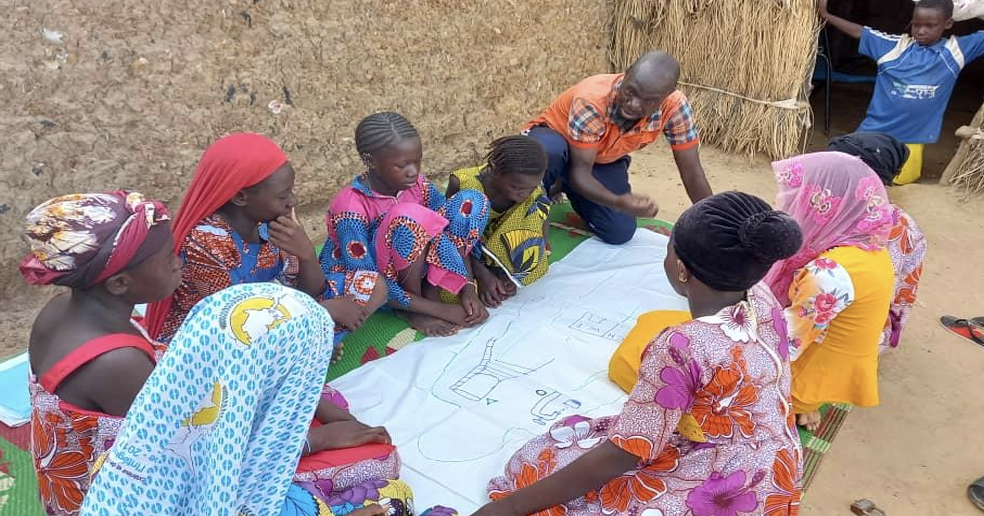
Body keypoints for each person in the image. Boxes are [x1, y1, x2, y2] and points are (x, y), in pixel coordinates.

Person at [473, 192, 803, 516]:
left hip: (725, 484)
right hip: (777, 473)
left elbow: (624, 453)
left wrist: (510, 507)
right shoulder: (763, 297)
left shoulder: (682, 345)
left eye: (669, 248)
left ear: (682, 269)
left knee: (545, 466)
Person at [79, 283, 456, 516]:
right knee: (396, 497)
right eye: (305, 376)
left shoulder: (126, 454)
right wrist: (314, 442)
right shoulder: (236, 493)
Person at [144, 133, 386, 349]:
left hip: (276, 311)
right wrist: (325, 311)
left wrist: (307, 255)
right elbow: (235, 326)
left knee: (375, 286)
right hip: (222, 339)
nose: (292, 201)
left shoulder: (272, 223)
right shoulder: (206, 243)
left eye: (291, 191)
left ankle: (309, 348)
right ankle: (311, 351)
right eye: (283, 195)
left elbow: (310, 290)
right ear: (241, 197)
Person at [20, 191, 179, 516]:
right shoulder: (117, 362)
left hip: (62, 488)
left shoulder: (59, 309)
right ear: (119, 283)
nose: (178, 263)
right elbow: (172, 446)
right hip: (107, 500)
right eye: (168, 258)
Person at [320, 112, 491, 336]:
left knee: (470, 201)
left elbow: (444, 227)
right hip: (374, 277)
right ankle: (412, 308)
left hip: (415, 264)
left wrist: (468, 288)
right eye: (402, 165)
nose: (413, 171)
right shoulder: (350, 207)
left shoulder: (418, 184)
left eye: (417, 161)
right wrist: (441, 310)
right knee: (408, 218)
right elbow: (367, 279)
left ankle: (430, 289)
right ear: (370, 161)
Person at [763, 152, 896, 432]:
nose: (782, 201)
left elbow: (785, 342)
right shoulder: (870, 249)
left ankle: (798, 402)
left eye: (794, 194)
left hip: (808, 378)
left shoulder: (828, 273)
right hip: (838, 367)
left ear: (820, 204)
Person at [524, 50, 713, 245]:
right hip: (555, 147)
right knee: (549, 151)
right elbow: (580, 172)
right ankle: (546, 185)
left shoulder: (675, 107)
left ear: (669, 93)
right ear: (626, 73)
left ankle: (561, 183)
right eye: (630, 92)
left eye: (648, 101)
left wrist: (714, 221)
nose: (634, 104)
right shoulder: (592, 99)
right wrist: (617, 201)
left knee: (618, 231)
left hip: (597, 159)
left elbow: (692, 172)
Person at [818, 0, 984, 184]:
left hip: (909, 141)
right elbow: (860, 32)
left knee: (894, 181)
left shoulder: (956, 51)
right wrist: (825, 14)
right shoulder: (893, 47)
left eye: (930, 25)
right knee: (843, 171)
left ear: (948, 23)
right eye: (916, 25)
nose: (921, 31)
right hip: (873, 132)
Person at [828, 132, 927, 352]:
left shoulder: (824, 215)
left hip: (833, 333)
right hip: (870, 333)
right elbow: (904, 294)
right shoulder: (908, 228)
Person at [446, 135, 550, 307]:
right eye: (516, 188)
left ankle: (503, 268)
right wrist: (482, 275)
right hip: (466, 250)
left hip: (498, 249)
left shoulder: (530, 190)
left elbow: (542, 218)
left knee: (538, 198)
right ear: (494, 170)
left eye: (531, 187)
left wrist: (512, 273)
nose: (524, 194)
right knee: (450, 291)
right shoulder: (463, 184)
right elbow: (451, 236)